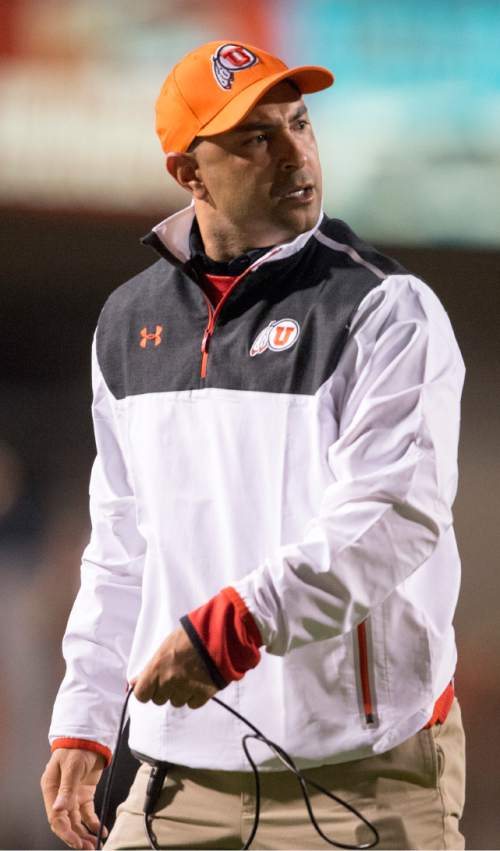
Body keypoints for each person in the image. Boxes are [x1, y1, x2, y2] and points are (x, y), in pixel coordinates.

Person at [41, 40, 466, 850]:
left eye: (300, 123)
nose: (296, 153)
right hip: (177, 779)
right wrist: (85, 718)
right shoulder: (127, 324)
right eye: (255, 138)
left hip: (362, 782)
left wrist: (232, 625)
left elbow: (393, 515)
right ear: (188, 174)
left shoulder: (386, 308)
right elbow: (122, 546)